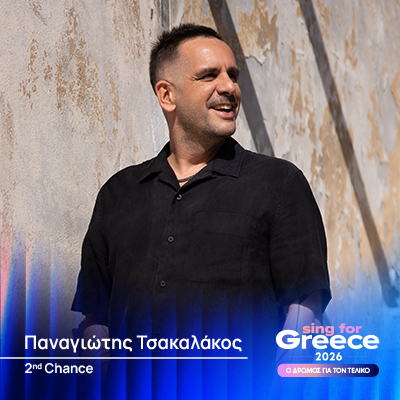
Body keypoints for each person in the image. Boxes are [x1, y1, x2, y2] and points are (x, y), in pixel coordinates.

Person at [72, 23, 331, 399]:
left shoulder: (279, 185)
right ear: (167, 94)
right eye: (209, 75)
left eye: (233, 75)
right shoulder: (119, 194)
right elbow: (95, 319)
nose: (229, 87)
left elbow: (304, 313)